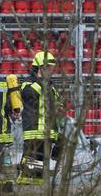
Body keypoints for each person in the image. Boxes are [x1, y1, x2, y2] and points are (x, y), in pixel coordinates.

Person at [18, 51, 64, 184]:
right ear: (38, 67)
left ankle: (37, 184)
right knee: (31, 158)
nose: (50, 70)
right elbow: (28, 94)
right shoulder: (29, 83)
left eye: (50, 67)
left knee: (41, 162)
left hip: (48, 130)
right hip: (34, 129)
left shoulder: (51, 86)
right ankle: (25, 185)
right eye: (47, 67)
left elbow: (58, 103)